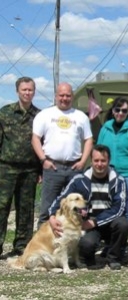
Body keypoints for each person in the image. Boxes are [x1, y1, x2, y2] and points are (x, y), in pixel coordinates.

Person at [48, 144, 128, 270]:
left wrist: (95, 221)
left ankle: (114, 258)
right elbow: (62, 198)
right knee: (87, 244)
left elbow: (119, 208)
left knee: (123, 223)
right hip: (89, 224)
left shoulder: (119, 181)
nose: (99, 164)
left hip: (109, 223)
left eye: (103, 161)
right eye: (96, 160)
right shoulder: (79, 180)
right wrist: (52, 216)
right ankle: (88, 257)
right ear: (91, 161)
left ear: (109, 161)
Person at [32, 82, 93, 228]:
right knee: (47, 208)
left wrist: (83, 161)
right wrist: (43, 160)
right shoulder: (45, 114)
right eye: (61, 95)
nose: (64, 98)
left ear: (72, 96)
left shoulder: (80, 116)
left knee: (76, 208)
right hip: (52, 167)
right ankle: (44, 243)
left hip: (74, 168)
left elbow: (89, 139)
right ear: (56, 96)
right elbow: (35, 138)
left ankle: (71, 241)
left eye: (67, 95)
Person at [0, 77, 41, 258]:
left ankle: (22, 247)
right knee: (2, 207)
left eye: (30, 90)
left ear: (34, 92)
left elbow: (43, 144)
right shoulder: (5, 113)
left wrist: (41, 171)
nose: (27, 93)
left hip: (29, 170)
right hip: (6, 168)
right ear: (17, 91)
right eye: (24, 90)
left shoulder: (39, 116)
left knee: (26, 209)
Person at [98, 96, 128, 220]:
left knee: (125, 210)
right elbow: (98, 152)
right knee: (107, 206)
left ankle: (124, 237)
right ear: (113, 111)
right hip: (107, 174)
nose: (120, 113)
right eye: (117, 110)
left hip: (127, 176)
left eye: (124, 111)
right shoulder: (105, 128)